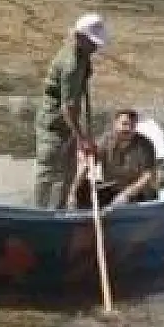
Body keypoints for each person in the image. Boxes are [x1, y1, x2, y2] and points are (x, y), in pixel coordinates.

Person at [34, 13, 109, 209]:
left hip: (66, 123)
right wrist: (82, 139)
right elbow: (68, 108)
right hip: (54, 124)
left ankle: (58, 210)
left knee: (67, 172)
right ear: (80, 37)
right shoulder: (71, 65)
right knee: (50, 172)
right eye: (92, 42)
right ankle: (41, 213)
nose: (96, 47)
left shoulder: (81, 53)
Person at [72, 108, 160, 210]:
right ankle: (81, 214)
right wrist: (74, 191)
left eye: (132, 125)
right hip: (113, 189)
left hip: (138, 193)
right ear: (115, 124)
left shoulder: (145, 145)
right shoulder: (106, 141)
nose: (128, 129)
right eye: (125, 124)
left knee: (127, 201)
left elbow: (147, 176)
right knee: (82, 188)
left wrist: (126, 195)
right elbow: (89, 163)